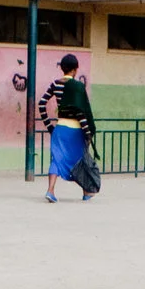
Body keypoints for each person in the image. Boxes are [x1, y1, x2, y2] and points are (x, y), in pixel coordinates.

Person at [44, 53, 96, 202]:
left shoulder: (55, 84)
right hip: (75, 130)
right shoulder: (78, 86)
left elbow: (42, 103)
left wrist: (49, 125)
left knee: (56, 159)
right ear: (75, 70)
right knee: (80, 159)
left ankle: (50, 190)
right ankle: (86, 191)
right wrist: (87, 132)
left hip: (60, 129)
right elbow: (80, 112)